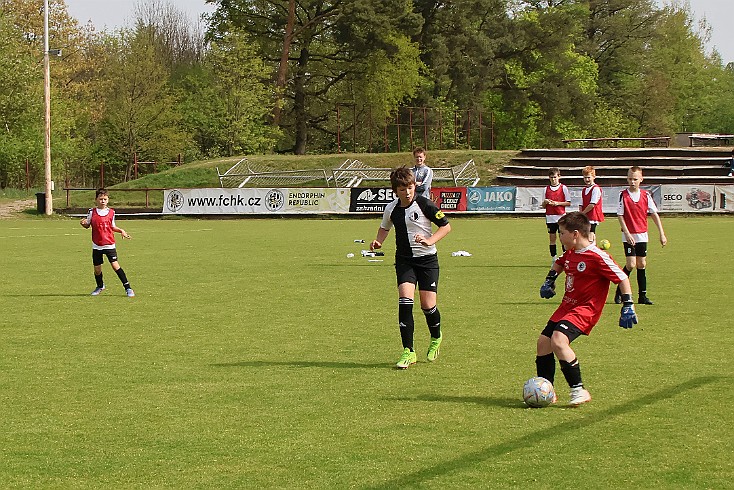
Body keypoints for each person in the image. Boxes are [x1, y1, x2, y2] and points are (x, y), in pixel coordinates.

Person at [536, 211, 638, 406]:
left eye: (562, 232)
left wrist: (628, 304)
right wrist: (549, 281)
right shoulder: (571, 252)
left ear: (575, 234)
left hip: (585, 310)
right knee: (543, 343)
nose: (559, 236)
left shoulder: (597, 257)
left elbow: (622, 277)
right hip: (567, 307)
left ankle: (578, 390)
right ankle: (547, 391)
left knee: (558, 340)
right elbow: (560, 263)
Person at [370, 166, 451, 369]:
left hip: (427, 262)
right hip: (405, 261)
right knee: (405, 301)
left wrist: (429, 240)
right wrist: (378, 242)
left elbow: (446, 226)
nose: (407, 192)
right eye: (402, 189)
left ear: (414, 186)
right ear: (395, 191)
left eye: (410, 187)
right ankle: (408, 351)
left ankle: (436, 337)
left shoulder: (424, 204)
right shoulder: (391, 209)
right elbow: (384, 227)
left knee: (427, 306)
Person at [615, 166, 667, 305]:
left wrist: (661, 233)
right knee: (631, 264)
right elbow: (620, 215)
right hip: (629, 234)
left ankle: (642, 296)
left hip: (642, 234)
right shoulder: (623, 195)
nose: (632, 181)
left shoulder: (646, 195)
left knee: (641, 263)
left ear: (641, 179)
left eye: (635, 179)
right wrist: (626, 233)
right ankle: (620, 291)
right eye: (630, 179)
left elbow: (654, 214)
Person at [80, 188, 135, 297]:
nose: (103, 201)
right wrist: (83, 223)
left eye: (105, 199)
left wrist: (121, 231)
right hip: (97, 245)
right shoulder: (92, 212)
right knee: (97, 269)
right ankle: (100, 286)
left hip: (109, 244)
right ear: (96, 200)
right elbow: (87, 225)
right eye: (100, 199)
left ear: (108, 200)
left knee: (115, 266)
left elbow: (112, 226)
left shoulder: (111, 212)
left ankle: (128, 288)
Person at [542, 167, 571, 261]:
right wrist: (545, 202)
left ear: (559, 177)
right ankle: (554, 259)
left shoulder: (563, 188)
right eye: (551, 177)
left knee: (563, 238)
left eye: (555, 177)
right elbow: (543, 206)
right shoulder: (546, 189)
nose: (553, 179)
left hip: (561, 216)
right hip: (550, 217)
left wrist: (557, 203)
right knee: (552, 238)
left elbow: (568, 202)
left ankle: (565, 258)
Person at [579, 166, 604, 243]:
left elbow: (592, 204)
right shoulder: (584, 189)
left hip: (593, 215)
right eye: (585, 177)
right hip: (585, 216)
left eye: (589, 177)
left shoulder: (595, 189)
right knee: (585, 234)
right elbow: (581, 203)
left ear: (594, 177)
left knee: (591, 234)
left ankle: (593, 250)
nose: (587, 180)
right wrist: (581, 213)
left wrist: (582, 213)